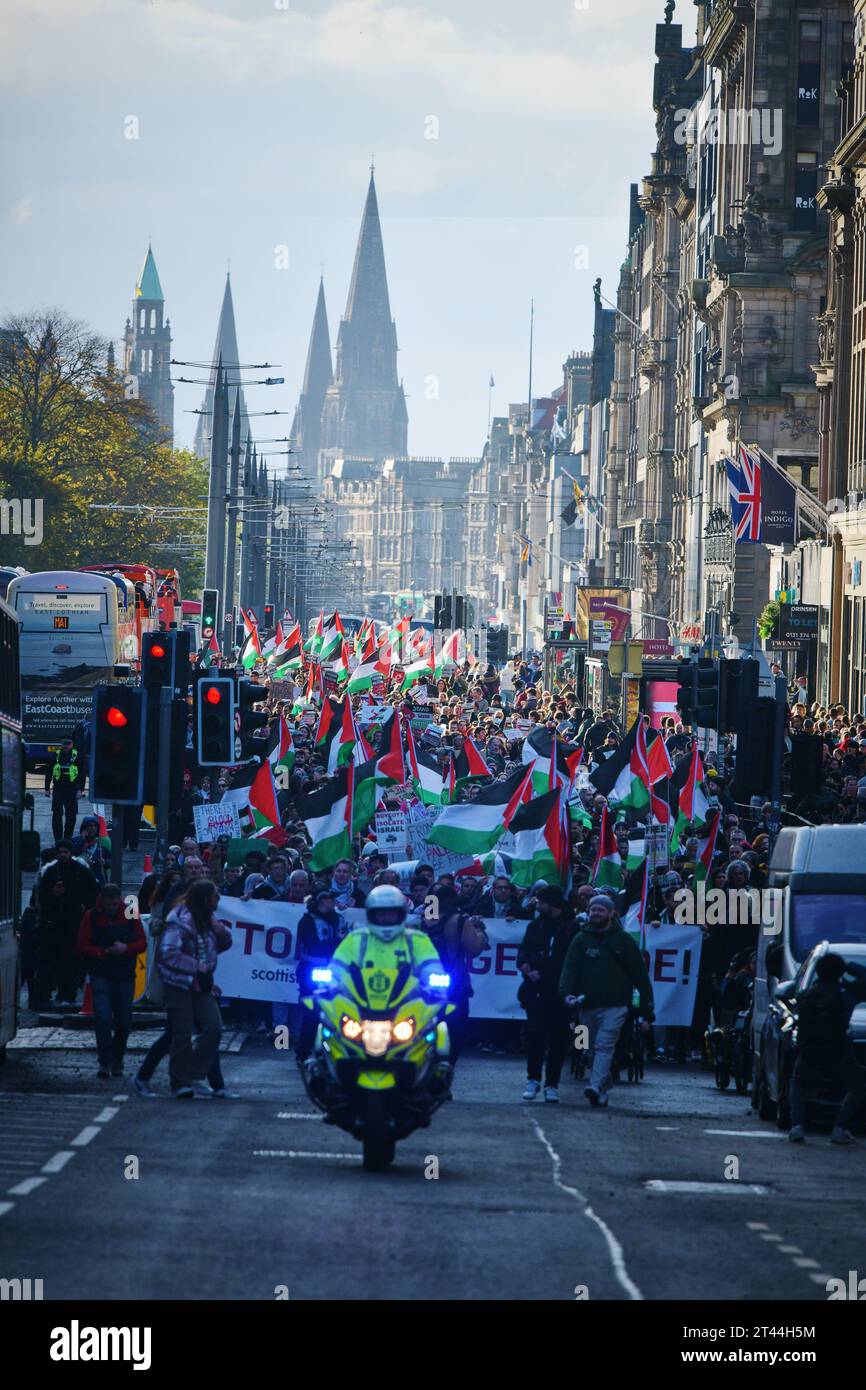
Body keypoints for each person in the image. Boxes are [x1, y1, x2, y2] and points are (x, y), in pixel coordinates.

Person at [560, 894, 654, 1107]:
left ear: (611, 913)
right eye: (593, 909)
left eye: (601, 910)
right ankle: (603, 1085)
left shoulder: (624, 941)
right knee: (588, 1048)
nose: (596, 913)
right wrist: (565, 993)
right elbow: (569, 969)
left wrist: (647, 1010)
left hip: (616, 1005)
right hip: (586, 1005)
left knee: (604, 1045)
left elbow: (640, 977)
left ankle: (593, 1086)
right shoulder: (580, 939)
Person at [157, 879, 233, 1099]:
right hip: (179, 983)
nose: (218, 899)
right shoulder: (180, 922)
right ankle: (180, 1083)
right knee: (182, 1032)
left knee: (213, 1027)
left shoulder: (208, 921)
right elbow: (168, 953)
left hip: (201, 984)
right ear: (205, 899)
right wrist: (197, 967)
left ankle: (194, 1073)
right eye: (215, 896)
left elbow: (221, 945)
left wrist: (221, 931)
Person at [788, 952, 866, 1145]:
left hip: (810, 1049)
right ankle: (840, 1127)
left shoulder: (807, 994)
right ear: (839, 973)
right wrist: (848, 966)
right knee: (857, 1085)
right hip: (839, 1049)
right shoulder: (846, 994)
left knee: (798, 1083)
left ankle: (797, 1126)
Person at [76, 884, 146, 1079]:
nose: (111, 907)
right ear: (102, 900)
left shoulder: (130, 913)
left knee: (124, 1022)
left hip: (124, 975)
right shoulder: (92, 916)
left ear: (120, 899)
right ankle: (106, 1061)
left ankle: (117, 1057)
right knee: (103, 1018)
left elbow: (142, 942)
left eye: (115, 904)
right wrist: (102, 952)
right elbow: (82, 945)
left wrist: (126, 948)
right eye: (108, 904)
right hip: (101, 974)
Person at [516, 887, 578, 1103]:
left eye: (540, 902)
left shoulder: (572, 927)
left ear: (551, 903)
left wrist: (542, 972)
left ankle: (552, 1083)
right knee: (535, 1038)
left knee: (559, 1041)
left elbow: (567, 960)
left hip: (559, 993)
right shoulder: (535, 925)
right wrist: (524, 964)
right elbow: (524, 948)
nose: (537, 905)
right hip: (535, 993)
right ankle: (532, 1079)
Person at [34, 843, 99, 1008]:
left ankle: (67, 994)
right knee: (47, 961)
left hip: (73, 923)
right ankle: (43, 996)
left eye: (66, 852)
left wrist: (85, 907)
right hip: (52, 923)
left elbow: (94, 891)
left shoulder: (80, 871)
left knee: (69, 961)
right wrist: (53, 894)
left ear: (70, 853)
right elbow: (41, 898)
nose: (63, 855)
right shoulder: (50, 872)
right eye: (60, 852)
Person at [45, 737, 82, 843]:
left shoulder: (77, 756)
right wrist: (47, 788)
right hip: (58, 789)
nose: (66, 746)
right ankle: (58, 839)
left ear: (72, 744)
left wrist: (80, 790)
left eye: (68, 743)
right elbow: (49, 772)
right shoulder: (56, 755)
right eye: (64, 744)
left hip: (72, 789)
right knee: (57, 814)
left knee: (71, 815)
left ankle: (67, 838)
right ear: (61, 744)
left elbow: (82, 773)